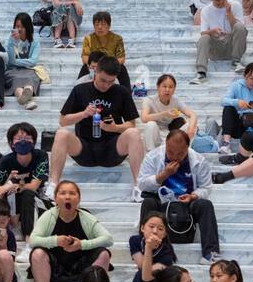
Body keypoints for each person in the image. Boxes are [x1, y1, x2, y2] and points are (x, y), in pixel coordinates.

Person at [48, 57, 145, 201]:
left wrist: (115, 128)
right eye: (103, 80)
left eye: (111, 81)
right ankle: (53, 184)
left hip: (112, 149)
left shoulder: (122, 92)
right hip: (84, 148)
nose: (106, 85)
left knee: (134, 133)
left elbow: (131, 124)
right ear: (95, 72)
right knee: (61, 134)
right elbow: (63, 121)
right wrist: (84, 114)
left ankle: (139, 186)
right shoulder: (80, 90)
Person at [137, 129, 223, 263]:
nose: (175, 157)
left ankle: (210, 252)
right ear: (166, 144)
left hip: (187, 203)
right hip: (161, 202)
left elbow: (206, 187)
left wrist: (193, 196)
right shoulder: (152, 157)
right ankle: (144, 250)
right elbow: (142, 184)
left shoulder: (199, 161)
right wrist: (164, 174)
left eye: (180, 153)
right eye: (170, 152)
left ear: (187, 148)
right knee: (148, 202)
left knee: (205, 205)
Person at [28, 180, 114, 282]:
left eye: (72, 193)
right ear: (56, 198)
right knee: (37, 252)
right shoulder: (48, 216)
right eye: (62, 193)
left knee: (104, 254)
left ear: (78, 199)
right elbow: (33, 240)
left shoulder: (86, 217)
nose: (67, 197)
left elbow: (108, 239)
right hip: (54, 269)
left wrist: (82, 245)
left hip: (81, 270)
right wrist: (55, 241)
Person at [192, 0, 248, 84]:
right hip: (215, 49)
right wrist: (211, 31)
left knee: (240, 26)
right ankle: (201, 73)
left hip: (232, 46)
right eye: (217, 0)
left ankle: (236, 62)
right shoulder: (206, 10)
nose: (221, 2)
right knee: (204, 38)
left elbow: (240, 29)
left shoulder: (235, 5)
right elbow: (203, 33)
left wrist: (229, 12)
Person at [139, 74, 197, 150]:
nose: (167, 90)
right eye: (164, 86)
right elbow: (144, 118)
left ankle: (184, 151)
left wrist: (191, 129)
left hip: (169, 134)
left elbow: (192, 114)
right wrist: (164, 113)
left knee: (193, 126)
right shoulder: (149, 100)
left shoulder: (175, 101)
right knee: (151, 124)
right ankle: (151, 154)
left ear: (174, 89)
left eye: (170, 87)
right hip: (154, 134)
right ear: (158, 87)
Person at [78, 11, 131, 91]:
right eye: (96, 24)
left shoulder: (117, 39)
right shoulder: (88, 39)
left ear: (109, 26)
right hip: (94, 67)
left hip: (111, 66)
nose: (99, 27)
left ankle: (126, 94)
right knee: (85, 67)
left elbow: (121, 59)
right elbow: (85, 57)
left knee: (122, 68)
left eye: (103, 24)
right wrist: (97, 65)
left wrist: (106, 65)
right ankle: (78, 92)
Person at [4, 12, 41, 110]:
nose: (19, 29)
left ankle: (25, 96)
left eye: (21, 26)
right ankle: (26, 99)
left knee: (31, 77)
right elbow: (10, 60)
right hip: (12, 70)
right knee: (16, 79)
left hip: (29, 69)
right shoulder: (10, 40)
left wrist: (16, 62)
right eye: (16, 26)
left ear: (28, 27)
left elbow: (33, 61)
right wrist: (12, 43)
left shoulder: (35, 41)